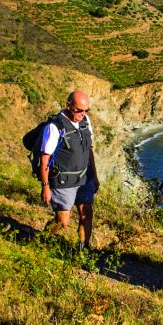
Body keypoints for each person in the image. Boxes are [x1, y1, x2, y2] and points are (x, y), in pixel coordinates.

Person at [38, 90, 100, 249]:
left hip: (84, 176)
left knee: (86, 213)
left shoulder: (86, 121)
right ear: (68, 106)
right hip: (63, 180)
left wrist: (95, 176)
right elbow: (44, 158)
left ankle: (83, 252)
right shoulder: (55, 126)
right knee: (63, 221)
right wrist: (45, 186)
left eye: (86, 110)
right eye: (79, 110)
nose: (83, 114)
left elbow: (89, 149)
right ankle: (42, 239)